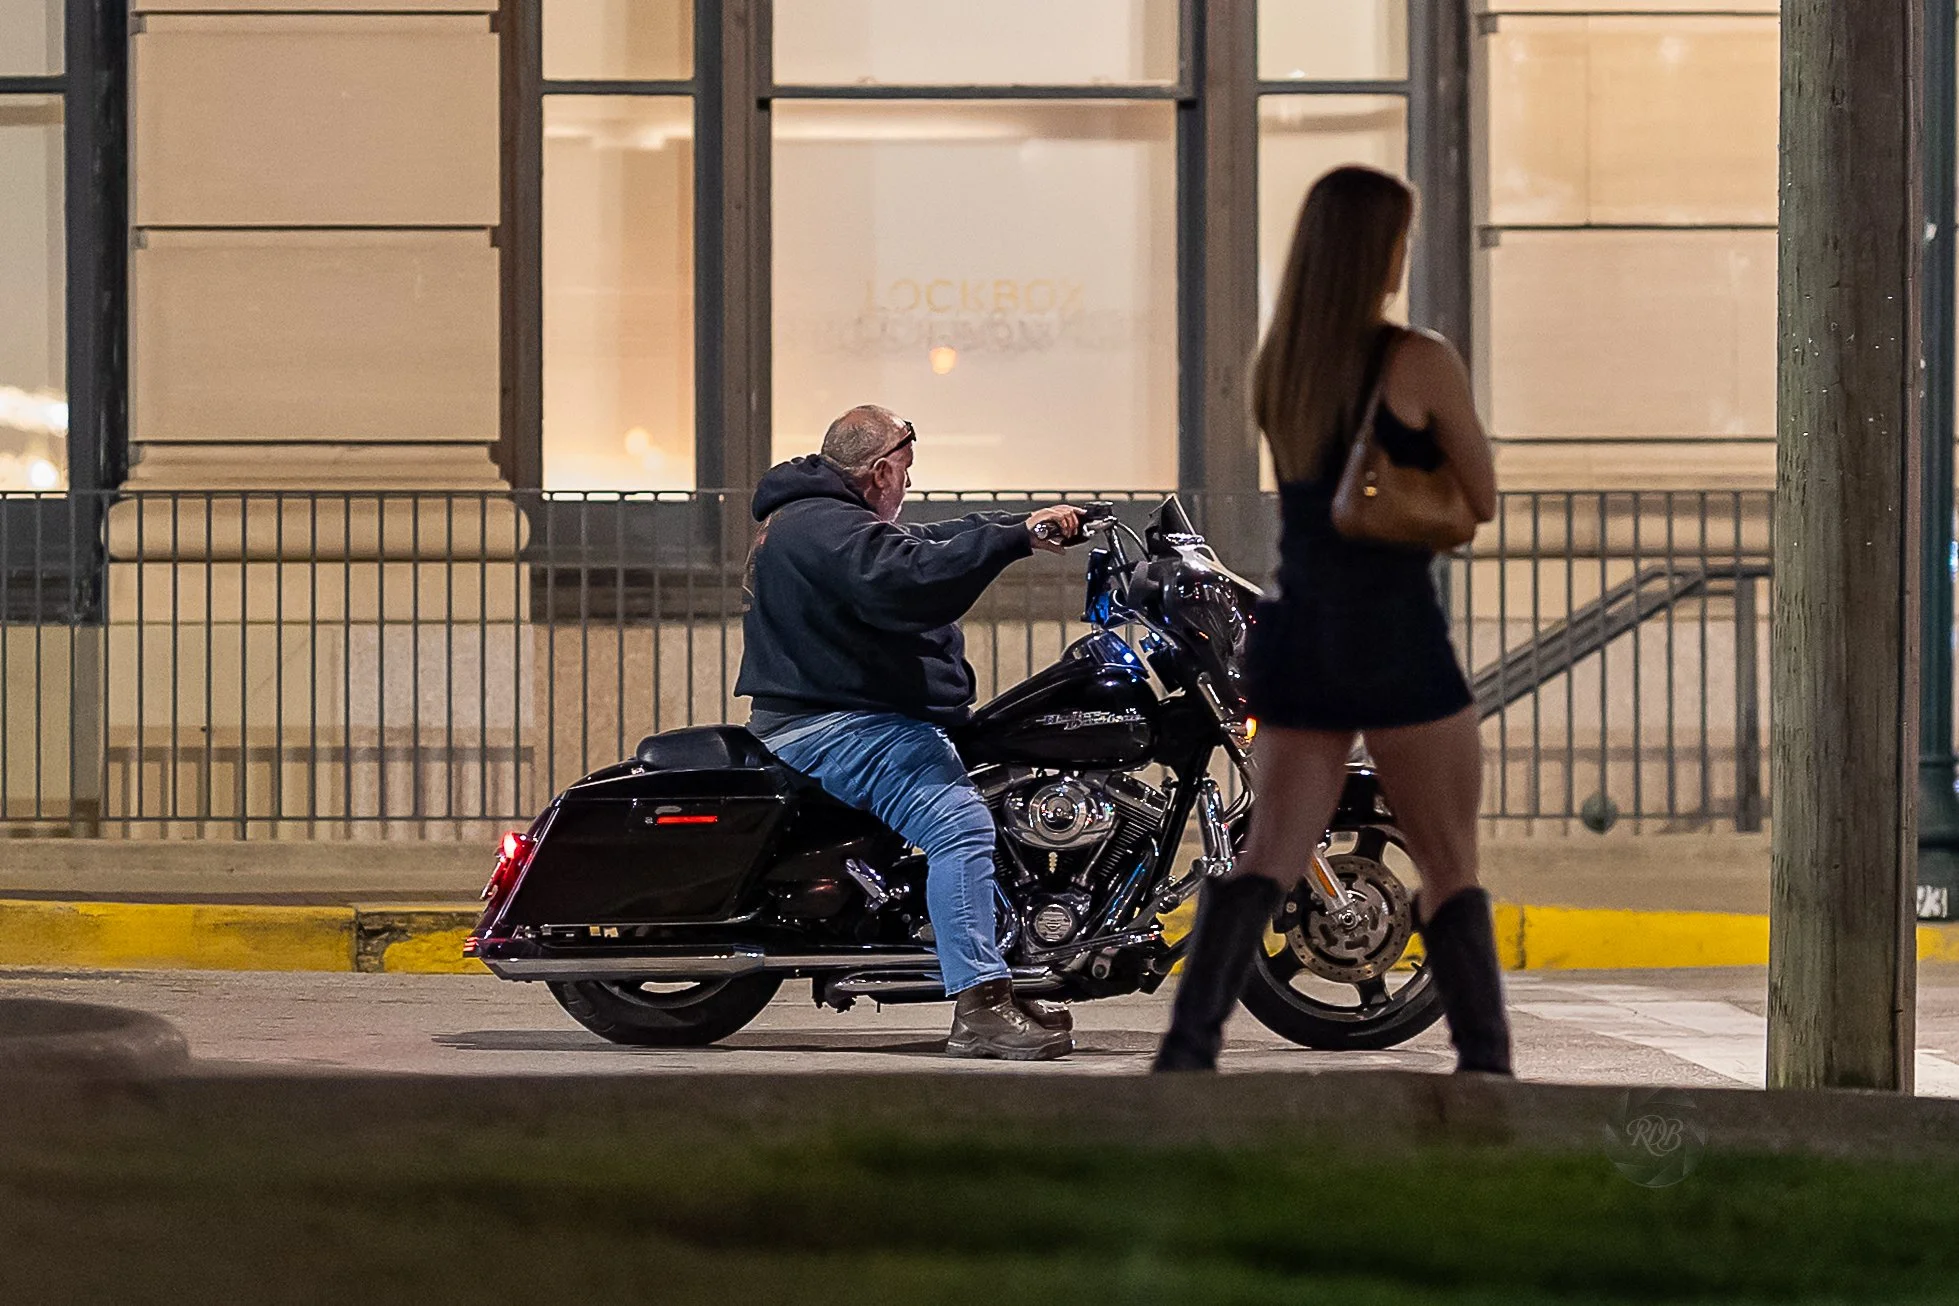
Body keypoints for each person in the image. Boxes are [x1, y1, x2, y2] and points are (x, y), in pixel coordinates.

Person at [1154, 165, 1510, 1075]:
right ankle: (1485, 1069)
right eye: (1400, 239)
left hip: (1298, 628)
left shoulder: (1281, 367)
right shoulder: (1416, 359)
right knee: (1447, 860)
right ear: (1377, 251)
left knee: (1268, 850)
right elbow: (1480, 494)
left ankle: (1187, 1055)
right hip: (1391, 630)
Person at [736, 404, 1083, 1061]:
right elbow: (910, 576)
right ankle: (980, 1006)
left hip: (853, 713)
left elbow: (926, 541)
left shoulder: (831, 521)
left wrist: (1020, 529)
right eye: (905, 472)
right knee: (957, 824)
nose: (907, 487)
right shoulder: (822, 527)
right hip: (832, 724)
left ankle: (1011, 963)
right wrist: (1011, 541)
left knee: (992, 794)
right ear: (880, 470)